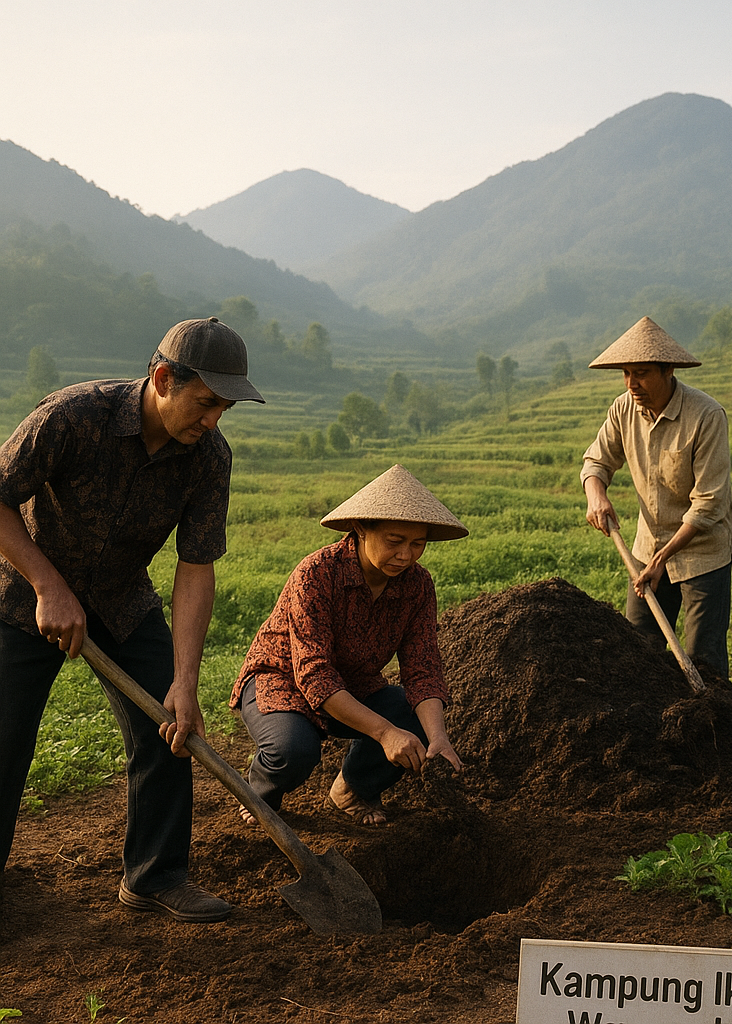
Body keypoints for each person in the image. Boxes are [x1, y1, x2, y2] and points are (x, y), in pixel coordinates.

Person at [0, 316, 264, 922]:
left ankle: (155, 875)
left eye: (224, 408)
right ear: (163, 377)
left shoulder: (207, 459)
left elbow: (195, 567)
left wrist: (186, 680)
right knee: (4, 743)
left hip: (121, 601)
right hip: (21, 595)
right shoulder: (72, 416)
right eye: (205, 403)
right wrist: (49, 585)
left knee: (170, 729)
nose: (213, 420)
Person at [230, 464, 467, 826]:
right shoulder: (317, 574)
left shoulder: (417, 585)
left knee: (416, 721)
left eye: (417, 544)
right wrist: (385, 733)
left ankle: (353, 788)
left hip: (355, 685)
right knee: (292, 751)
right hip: (283, 682)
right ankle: (261, 792)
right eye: (394, 541)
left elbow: (423, 667)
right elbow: (314, 674)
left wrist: (438, 739)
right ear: (360, 530)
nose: (406, 554)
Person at [581, 316, 732, 679]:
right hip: (647, 548)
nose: (632, 384)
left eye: (642, 373)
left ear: (668, 370)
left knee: (704, 659)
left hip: (702, 554)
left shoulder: (706, 415)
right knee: (637, 648)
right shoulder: (623, 409)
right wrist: (596, 495)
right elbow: (596, 461)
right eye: (626, 374)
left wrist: (663, 558)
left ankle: (711, 726)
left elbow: (709, 503)